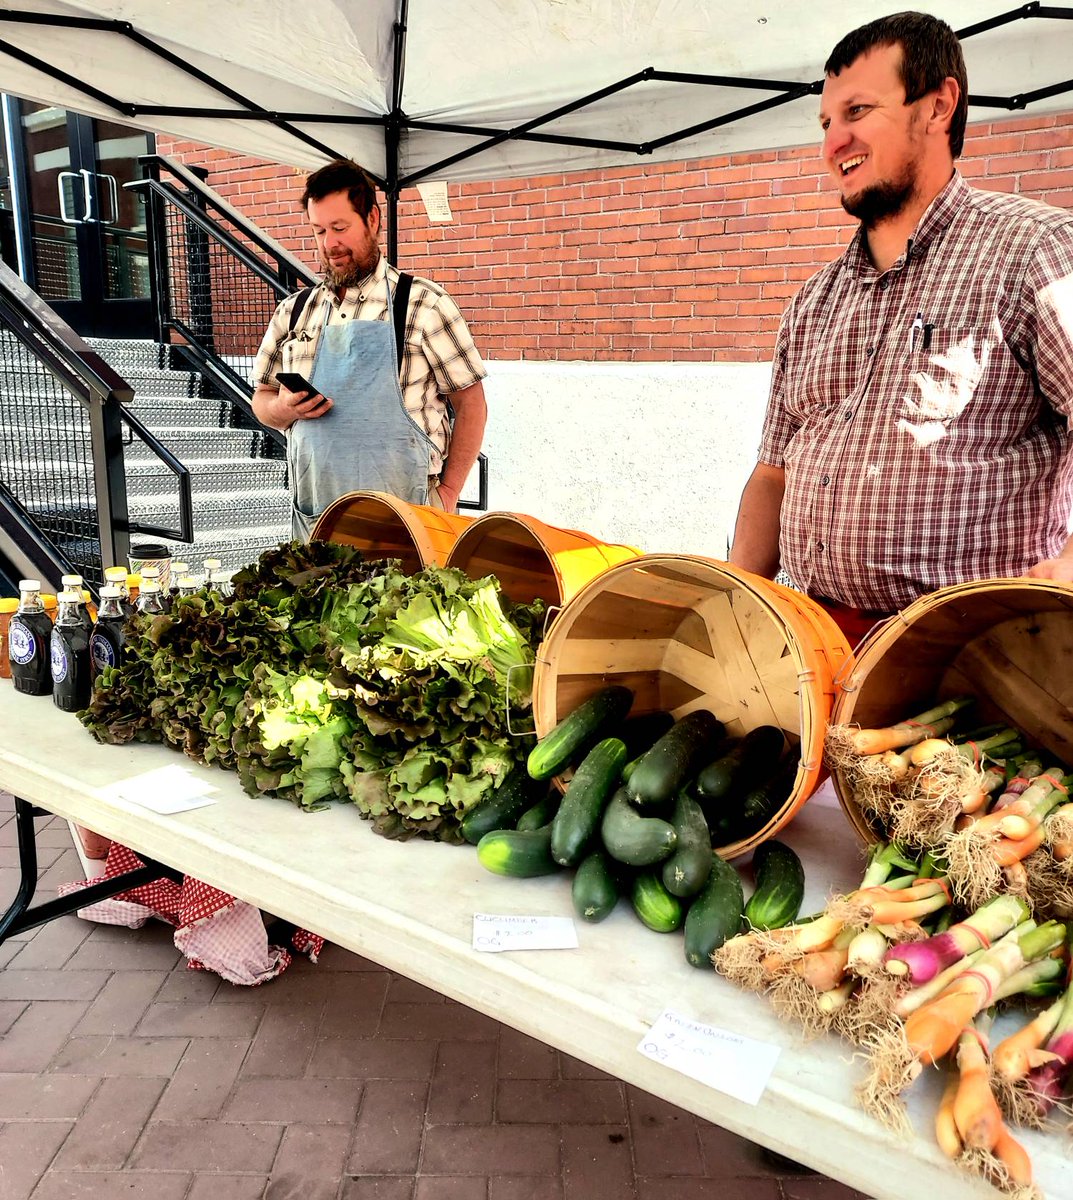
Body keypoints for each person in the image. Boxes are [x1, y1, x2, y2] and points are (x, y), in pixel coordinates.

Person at [729, 11, 1073, 643]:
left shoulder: (1035, 253)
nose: (833, 143)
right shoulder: (813, 301)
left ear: (938, 105)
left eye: (858, 112)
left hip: (972, 659)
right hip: (814, 639)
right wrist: (733, 606)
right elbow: (773, 472)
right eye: (827, 122)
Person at [251, 159, 488, 539]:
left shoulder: (423, 304)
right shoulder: (293, 312)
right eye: (319, 230)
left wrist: (449, 492)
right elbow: (261, 400)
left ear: (373, 220)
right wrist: (280, 409)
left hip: (409, 521)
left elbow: (471, 404)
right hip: (317, 520)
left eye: (340, 228)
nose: (330, 243)